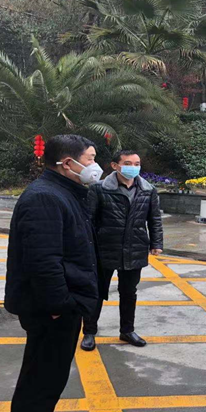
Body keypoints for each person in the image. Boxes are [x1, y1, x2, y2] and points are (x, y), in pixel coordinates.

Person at [5, 135, 103, 412]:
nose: (95, 166)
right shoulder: (45, 197)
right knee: (39, 382)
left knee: (50, 376)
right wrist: (59, 306)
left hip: (60, 304)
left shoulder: (64, 192)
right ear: (67, 163)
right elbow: (43, 262)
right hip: (52, 309)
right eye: (89, 159)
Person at [81, 150, 164, 351]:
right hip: (104, 248)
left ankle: (127, 330)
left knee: (129, 292)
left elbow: (154, 218)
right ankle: (89, 332)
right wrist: (87, 247)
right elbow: (88, 220)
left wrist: (156, 243)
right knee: (96, 291)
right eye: (128, 163)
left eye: (137, 164)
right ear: (115, 165)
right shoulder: (99, 189)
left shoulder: (148, 189)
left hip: (135, 247)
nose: (133, 167)